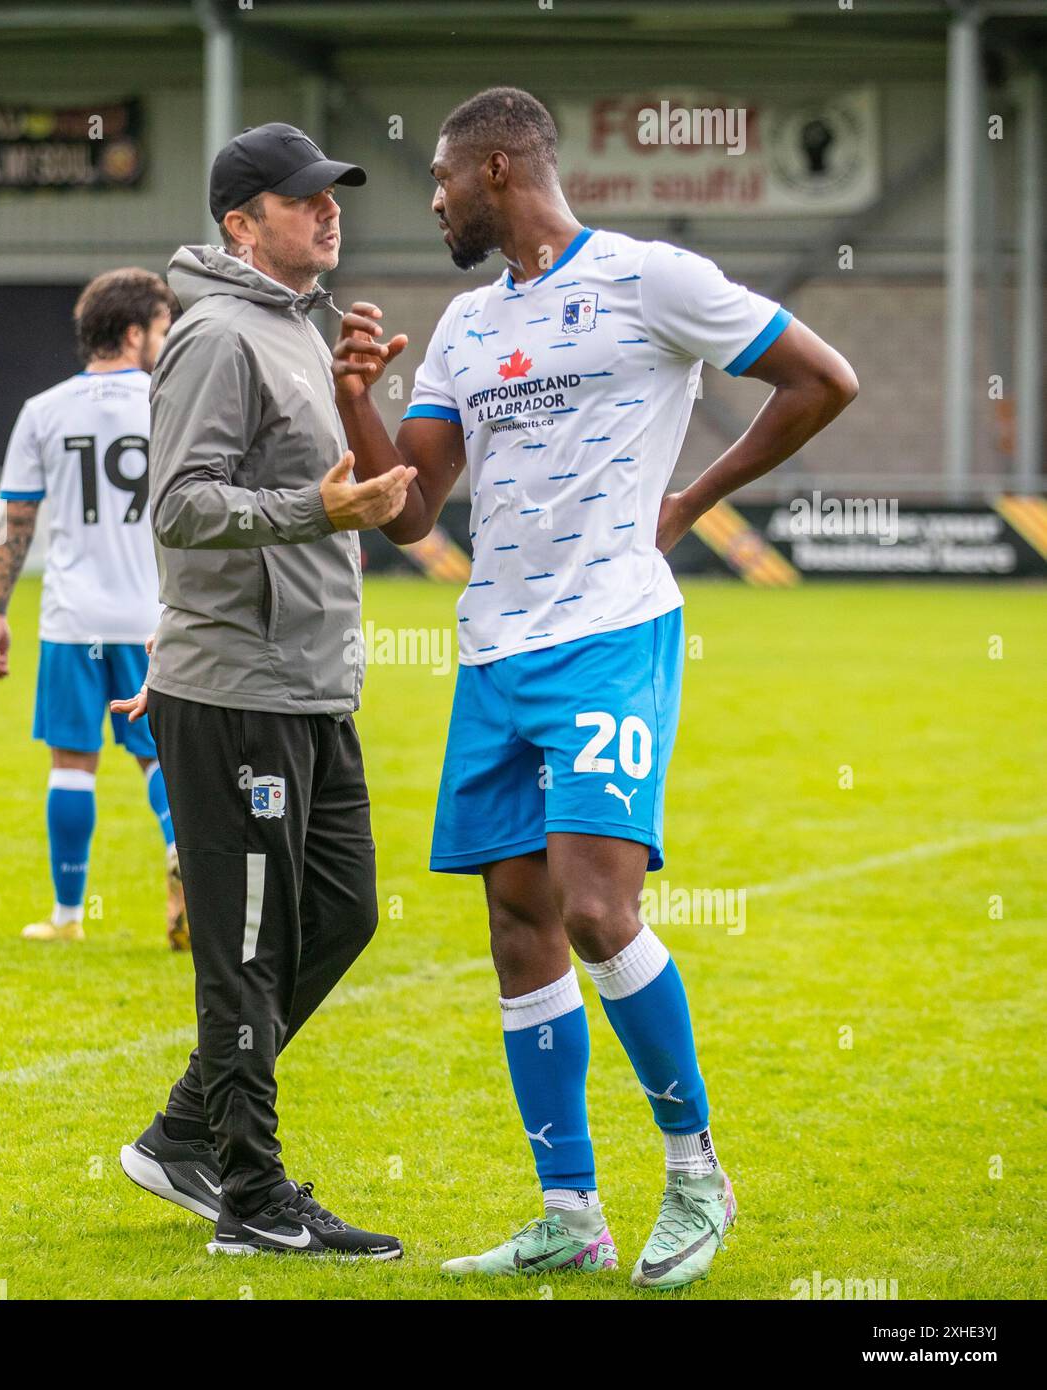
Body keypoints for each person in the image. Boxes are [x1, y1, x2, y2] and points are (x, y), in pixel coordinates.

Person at [330, 87, 858, 1286]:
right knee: (517, 922)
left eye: (443, 180)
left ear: (501, 168)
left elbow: (823, 380)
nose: (433, 200)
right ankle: (570, 1209)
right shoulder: (464, 325)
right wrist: (358, 395)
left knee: (593, 906)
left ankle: (693, 1170)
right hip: (495, 649)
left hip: (609, 635)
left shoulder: (650, 277)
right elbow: (410, 510)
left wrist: (691, 498)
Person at [113, 123, 415, 1260]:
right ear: (241, 224)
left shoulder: (301, 331)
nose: (330, 210)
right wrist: (315, 512)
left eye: (334, 194)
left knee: (341, 914)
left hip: (309, 687)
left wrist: (351, 402)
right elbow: (183, 506)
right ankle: (250, 1194)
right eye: (305, 198)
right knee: (243, 941)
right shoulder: (213, 337)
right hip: (236, 687)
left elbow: (307, 490)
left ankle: (185, 1130)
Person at [0, 267, 188, 949]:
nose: (167, 339)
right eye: (162, 327)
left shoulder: (44, 411)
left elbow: (17, 524)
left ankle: (68, 917)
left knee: (72, 764)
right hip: (152, 618)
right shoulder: (172, 403)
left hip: (73, 620)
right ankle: (178, 846)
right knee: (158, 759)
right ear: (133, 333)